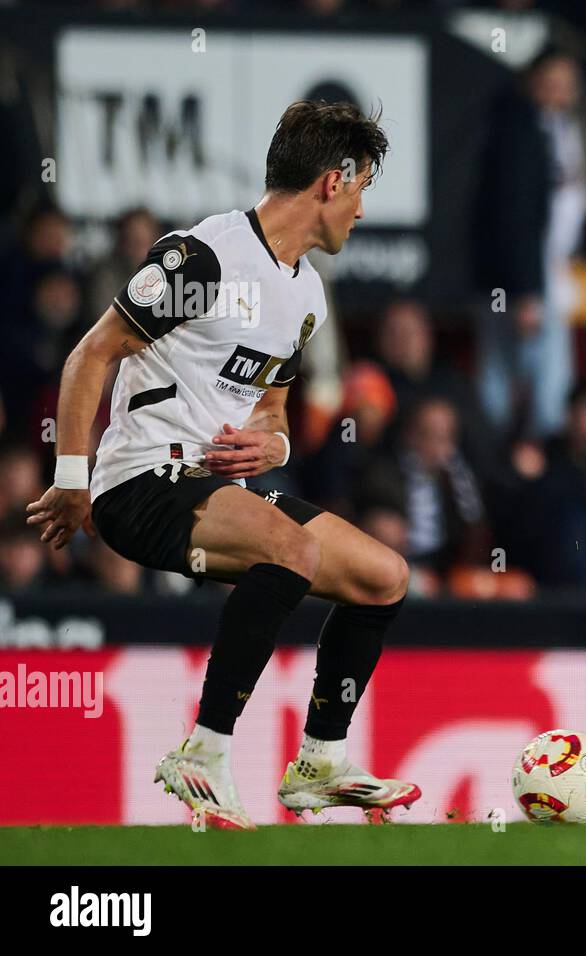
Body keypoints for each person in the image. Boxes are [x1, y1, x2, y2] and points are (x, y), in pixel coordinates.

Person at [24, 101, 418, 830]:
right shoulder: (203, 258)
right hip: (140, 481)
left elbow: (271, 412)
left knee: (383, 578)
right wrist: (72, 480)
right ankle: (203, 752)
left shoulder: (306, 294)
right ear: (332, 183)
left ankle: (320, 762)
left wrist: (278, 446)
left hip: (212, 489)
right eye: (362, 188)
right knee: (295, 550)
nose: (362, 209)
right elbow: (91, 354)